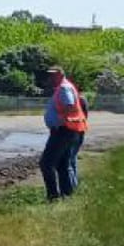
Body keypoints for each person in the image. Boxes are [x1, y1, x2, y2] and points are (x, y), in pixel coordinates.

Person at [39, 64, 88, 201]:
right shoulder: (63, 87)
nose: (51, 77)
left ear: (60, 74)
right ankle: (67, 194)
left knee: (46, 163)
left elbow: (70, 105)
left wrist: (59, 120)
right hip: (69, 130)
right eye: (50, 74)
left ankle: (53, 196)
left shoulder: (64, 87)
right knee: (63, 165)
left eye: (54, 74)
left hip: (63, 130)